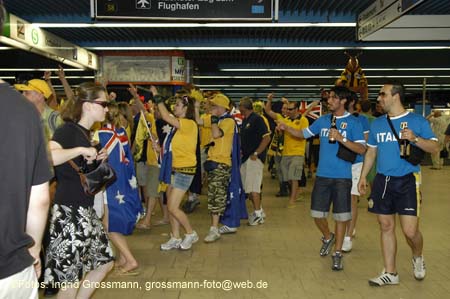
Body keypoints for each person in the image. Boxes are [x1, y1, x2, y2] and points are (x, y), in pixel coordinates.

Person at [358, 80, 439, 286]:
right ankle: (390, 272)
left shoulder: (417, 121)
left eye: (383, 94)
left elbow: (434, 148)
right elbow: (371, 152)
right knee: (385, 225)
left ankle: (418, 256)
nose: (379, 98)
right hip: (382, 180)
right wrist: (362, 177)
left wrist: (415, 139)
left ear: (396, 96)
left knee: (410, 232)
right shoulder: (377, 123)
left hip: (408, 180)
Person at [278, 86, 366, 271]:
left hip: (343, 176)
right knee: (317, 214)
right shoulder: (323, 121)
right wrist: (286, 128)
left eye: (334, 98)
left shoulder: (354, 123)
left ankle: (338, 253)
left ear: (343, 101)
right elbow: (302, 134)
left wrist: (342, 139)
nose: (329, 100)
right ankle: (328, 236)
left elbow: (361, 149)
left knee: (341, 217)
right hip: (323, 176)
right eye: (329, 97)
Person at [44, 82, 114, 298]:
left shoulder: (84, 133)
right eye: (103, 104)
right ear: (88, 105)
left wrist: (96, 158)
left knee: (104, 261)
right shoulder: (68, 131)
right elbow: (50, 156)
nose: (107, 108)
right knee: (70, 278)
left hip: (83, 211)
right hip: (69, 213)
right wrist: (82, 150)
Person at [0, 5, 52, 293]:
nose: (25, 93)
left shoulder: (50, 118)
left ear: (40, 95)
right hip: (12, 267)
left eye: (30, 91)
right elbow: (39, 199)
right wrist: (33, 252)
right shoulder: (25, 114)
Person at [98, 102, 143, 275]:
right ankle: (123, 258)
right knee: (113, 223)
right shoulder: (122, 132)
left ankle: (130, 260)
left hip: (110, 185)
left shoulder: (101, 134)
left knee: (108, 225)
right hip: (124, 182)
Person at [152, 87, 199, 251]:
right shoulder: (178, 127)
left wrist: (157, 96)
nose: (174, 107)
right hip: (174, 169)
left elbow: (165, 115)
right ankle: (175, 236)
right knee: (172, 206)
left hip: (184, 170)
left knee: (172, 207)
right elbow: (174, 148)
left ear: (186, 108)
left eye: (178, 105)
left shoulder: (188, 124)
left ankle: (191, 233)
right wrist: (159, 150)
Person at [198, 93, 236, 242]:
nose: (211, 108)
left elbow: (216, 133)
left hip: (222, 163)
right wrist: (195, 107)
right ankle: (215, 226)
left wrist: (213, 118)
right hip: (213, 162)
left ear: (221, 107)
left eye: (214, 105)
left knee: (217, 197)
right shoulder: (216, 119)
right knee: (213, 195)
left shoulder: (228, 121)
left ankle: (214, 229)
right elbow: (198, 121)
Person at [265, 94, 309, 208]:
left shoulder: (303, 120)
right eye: (287, 109)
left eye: (290, 109)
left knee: (294, 177)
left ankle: (292, 200)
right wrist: (269, 100)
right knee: (287, 178)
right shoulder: (285, 120)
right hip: (285, 153)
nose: (288, 111)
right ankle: (296, 191)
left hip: (297, 153)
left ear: (297, 109)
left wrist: (287, 128)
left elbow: (303, 135)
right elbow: (268, 111)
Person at [238, 97, 271, 227]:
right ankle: (260, 211)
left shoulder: (257, 119)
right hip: (246, 158)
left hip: (254, 159)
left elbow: (266, 138)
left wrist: (257, 153)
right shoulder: (246, 120)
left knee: (253, 188)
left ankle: (258, 215)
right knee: (248, 188)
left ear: (243, 107)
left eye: (240, 106)